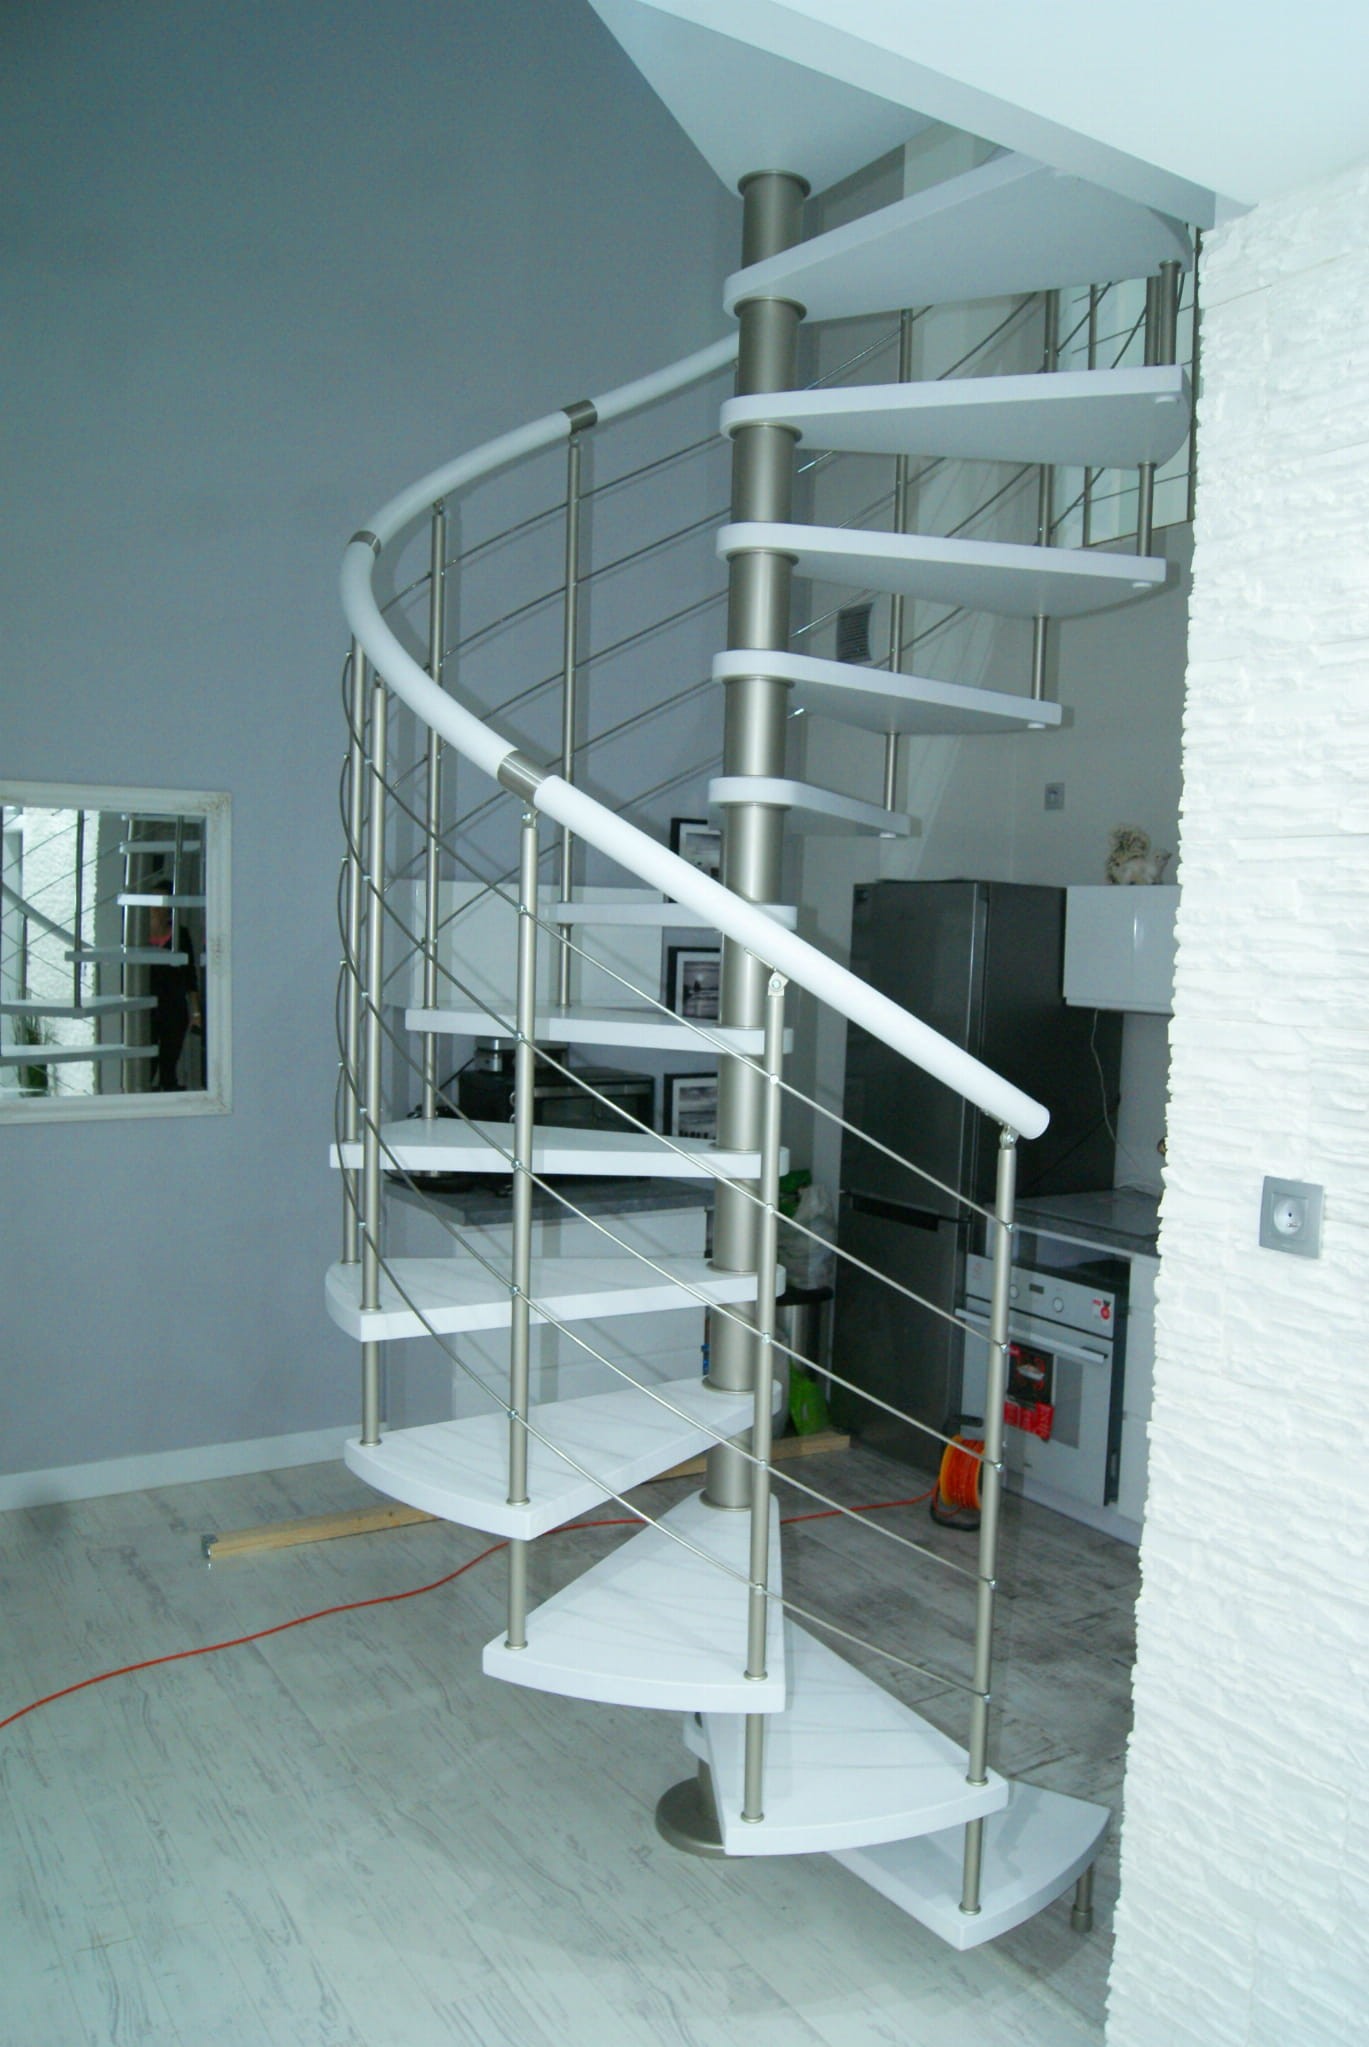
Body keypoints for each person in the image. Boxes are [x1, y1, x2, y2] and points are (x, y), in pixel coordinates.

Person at [147, 898, 201, 1090]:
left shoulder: (180, 934)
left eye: (161, 903)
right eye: (153, 902)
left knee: (169, 1062)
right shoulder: (137, 935)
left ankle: (168, 1092)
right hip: (146, 1007)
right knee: (146, 1062)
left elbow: (190, 975)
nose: (156, 908)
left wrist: (196, 1012)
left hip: (174, 1005)